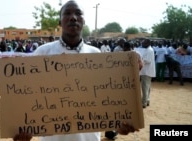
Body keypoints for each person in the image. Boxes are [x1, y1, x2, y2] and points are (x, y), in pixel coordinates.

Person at [13, 1, 138, 141]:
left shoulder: (98, 57)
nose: (73, 17)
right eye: (67, 13)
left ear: (84, 21)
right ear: (60, 22)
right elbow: (29, 96)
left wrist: (118, 124)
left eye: (78, 13)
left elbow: (108, 100)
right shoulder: (42, 53)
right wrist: (24, 127)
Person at [137, 39, 156, 108]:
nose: (142, 44)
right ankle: (147, 100)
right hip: (145, 71)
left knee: (145, 88)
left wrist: (140, 60)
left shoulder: (150, 50)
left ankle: (144, 103)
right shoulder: (147, 49)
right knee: (147, 87)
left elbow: (148, 61)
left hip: (146, 72)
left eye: (144, 43)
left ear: (148, 43)